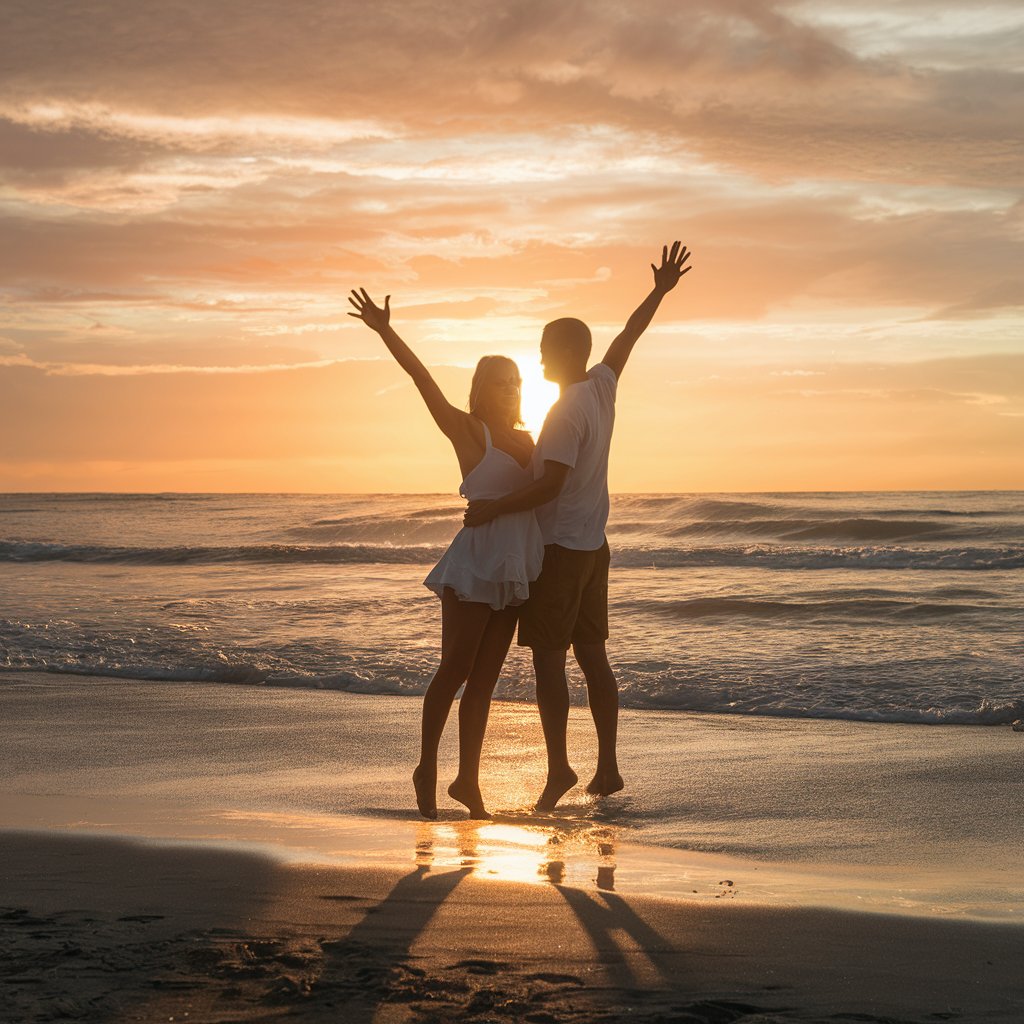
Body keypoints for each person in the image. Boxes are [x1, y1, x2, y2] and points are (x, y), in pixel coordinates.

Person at [464, 241, 692, 811]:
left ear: (567, 351)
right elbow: (626, 339)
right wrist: (658, 292)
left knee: (548, 661)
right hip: (596, 547)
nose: (539, 361)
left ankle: (561, 767)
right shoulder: (602, 386)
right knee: (593, 657)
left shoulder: (563, 411)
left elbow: (550, 486)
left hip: (562, 550)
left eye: (544, 351)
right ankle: (608, 767)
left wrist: (493, 509)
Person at [347, 289, 544, 821]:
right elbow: (421, 381)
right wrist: (386, 331)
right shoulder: (470, 431)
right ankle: (427, 767)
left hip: (514, 569)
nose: (510, 389)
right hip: (475, 563)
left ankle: (468, 782)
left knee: (486, 682)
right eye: (500, 383)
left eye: (515, 382)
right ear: (481, 389)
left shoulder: (529, 439)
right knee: (454, 668)